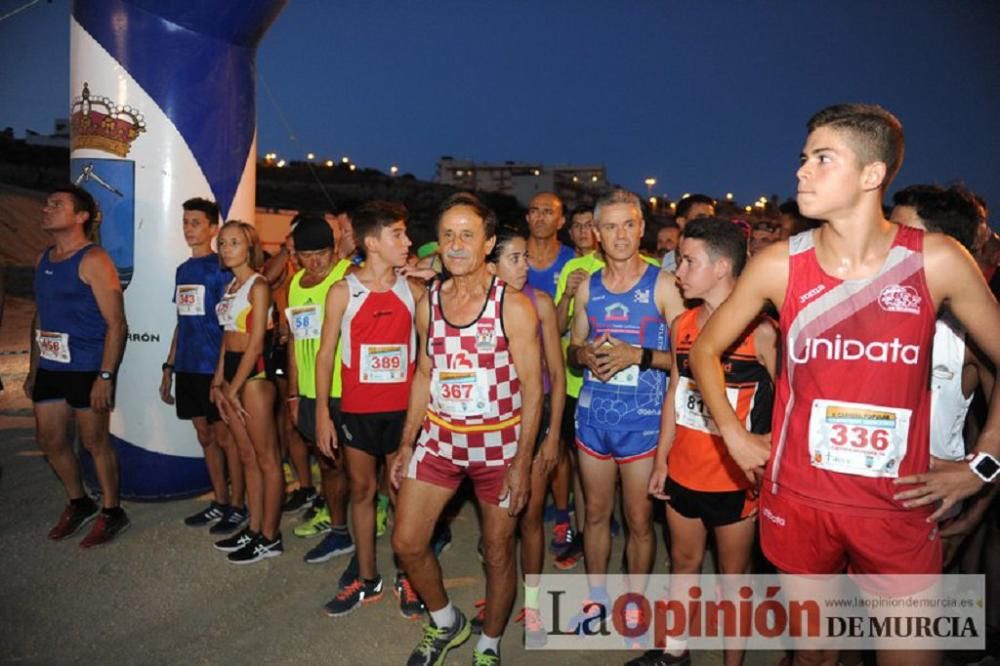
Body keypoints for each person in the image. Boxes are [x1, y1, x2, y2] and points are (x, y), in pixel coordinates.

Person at [690, 103, 1000, 666]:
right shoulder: (778, 265)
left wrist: (984, 464)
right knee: (813, 656)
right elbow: (705, 349)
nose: (802, 171)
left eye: (822, 159)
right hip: (799, 501)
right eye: (803, 158)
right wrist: (733, 436)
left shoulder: (936, 260)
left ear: (872, 175)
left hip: (897, 507)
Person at [391, 193, 543, 666]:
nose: (456, 245)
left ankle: (489, 644)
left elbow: (534, 391)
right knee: (407, 542)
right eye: (448, 235)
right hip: (439, 440)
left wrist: (522, 463)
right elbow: (423, 375)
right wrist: (405, 443)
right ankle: (445, 622)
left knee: (497, 552)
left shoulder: (512, 306)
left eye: (468, 235)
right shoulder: (429, 304)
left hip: (498, 447)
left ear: (488, 243)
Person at [636, 218, 777, 666]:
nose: (678, 271)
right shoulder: (683, 324)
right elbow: (675, 396)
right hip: (683, 470)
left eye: (688, 261)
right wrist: (661, 461)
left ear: (721, 267)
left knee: (732, 579)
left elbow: (794, 406)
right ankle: (675, 652)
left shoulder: (764, 332)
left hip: (736, 481)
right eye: (678, 260)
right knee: (683, 561)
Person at [567, 188, 684, 623]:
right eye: (610, 226)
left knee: (638, 521)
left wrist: (637, 356)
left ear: (641, 228)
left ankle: (635, 606)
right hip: (593, 418)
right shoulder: (587, 288)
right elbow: (573, 348)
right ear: (596, 233)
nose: (620, 235)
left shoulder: (666, 285)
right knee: (595, 515)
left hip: (644, 423)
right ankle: (595, 599)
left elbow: (688, 360)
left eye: (629, 225)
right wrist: (581, 356)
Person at [314, 201, 423, 618]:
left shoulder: (413, 291)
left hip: (403, 415)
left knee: (401, 495)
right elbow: (325, 355)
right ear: (373, 243)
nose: (408, 241)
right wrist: (323, 412)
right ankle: (367, 575)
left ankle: (409, 575)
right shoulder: (344, 291)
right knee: (361, 491)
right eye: (398, 234)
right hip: (357, 411)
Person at [468, 222, 565, 646]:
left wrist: (551, 437)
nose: (526, 265)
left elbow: (557, 378)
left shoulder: (539, 302)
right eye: (516, 258)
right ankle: (499, 597)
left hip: (532, 422)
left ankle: (533, 603)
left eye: (526, 257)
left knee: (528, 518)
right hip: (489, 426)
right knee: (495, 529)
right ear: (491, 265)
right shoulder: (472, 303)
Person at [25, 185, 128, 547]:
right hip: (52, 366)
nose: (46, 208)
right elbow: (41, 317)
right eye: (47, 202)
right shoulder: (43, 259)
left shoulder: (93, 259)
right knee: (49, 439)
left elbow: (117, 323)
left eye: (57, 204)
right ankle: (79, 501)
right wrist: (33, 369)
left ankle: (113, 511)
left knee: (94, 442)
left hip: (87, 365)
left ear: (81, 216)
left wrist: (105, 376)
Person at [160, 198, 246, 533]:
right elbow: (182, 322)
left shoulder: (219, 269)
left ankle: (238, 506)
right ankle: (220, 501)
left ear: (213, 228)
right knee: (205, 435)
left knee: (227, 438)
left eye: (196, 222)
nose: (188, 228)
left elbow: (230, 323)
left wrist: (223, 373)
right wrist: (169, 367)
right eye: (185, 222)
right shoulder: (183, 270)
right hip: (187, 368)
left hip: (215, 368)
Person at [279, 215, 355, 565]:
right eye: (307, 255)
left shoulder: (349, 277)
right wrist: (294, 395)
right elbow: (295, 342)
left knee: (357, 469)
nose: (315, 261)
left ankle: (366, 533)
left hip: (348, 390)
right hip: (311, 394)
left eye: (322, 253)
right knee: (328, 465)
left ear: (334, 249)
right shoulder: (295, 283)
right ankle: (340, 531)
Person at [210, 221, 283, 564]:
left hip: (254, 377)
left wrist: (234, 388)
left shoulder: (259, 284)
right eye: (223, 242)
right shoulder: (230, 286)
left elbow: (255, 344)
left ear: (249, 246)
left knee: (267, 459)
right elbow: (228, 339)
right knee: (247, 456)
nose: (226, 248)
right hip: (233, 375)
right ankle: (254, 528)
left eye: (234, 242)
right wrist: (218, 382)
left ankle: (271, 535)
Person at [526, 192, 576, 298]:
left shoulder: (573, 260)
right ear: (528, 218)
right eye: (534, 211)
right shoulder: (511, 257)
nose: (540, 218)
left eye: (548, 212)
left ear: (561, 222)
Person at [661, 194, 714, 272]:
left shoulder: (722, 257)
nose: (708, 223)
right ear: (681, 222)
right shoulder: (667, 262)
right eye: (701, 218)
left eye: (711, 218)